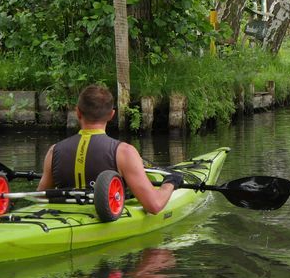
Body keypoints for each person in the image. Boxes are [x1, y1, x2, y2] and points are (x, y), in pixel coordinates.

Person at [37, 85, 182, 215]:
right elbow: (154, 205)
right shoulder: (124, 152)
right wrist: (170, 183)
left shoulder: (54, 151)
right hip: (103, 219)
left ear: (78, 112)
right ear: (112, 115)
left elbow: (40, 198)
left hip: (62, 217)